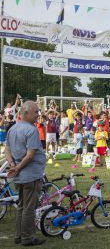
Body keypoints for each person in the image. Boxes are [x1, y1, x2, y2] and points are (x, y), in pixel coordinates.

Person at [4, 100, 47, 246]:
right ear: (26, 113)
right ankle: (27, 237)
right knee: (29, 208)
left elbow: (7, 150)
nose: (38, 115)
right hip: (30, 175)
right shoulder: (31, 130)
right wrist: (17, 167)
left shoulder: (13, 129)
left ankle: (19, 236)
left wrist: (12, 165)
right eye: (35, 112)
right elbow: (30, 155)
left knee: (22, 206)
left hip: (19, 176)